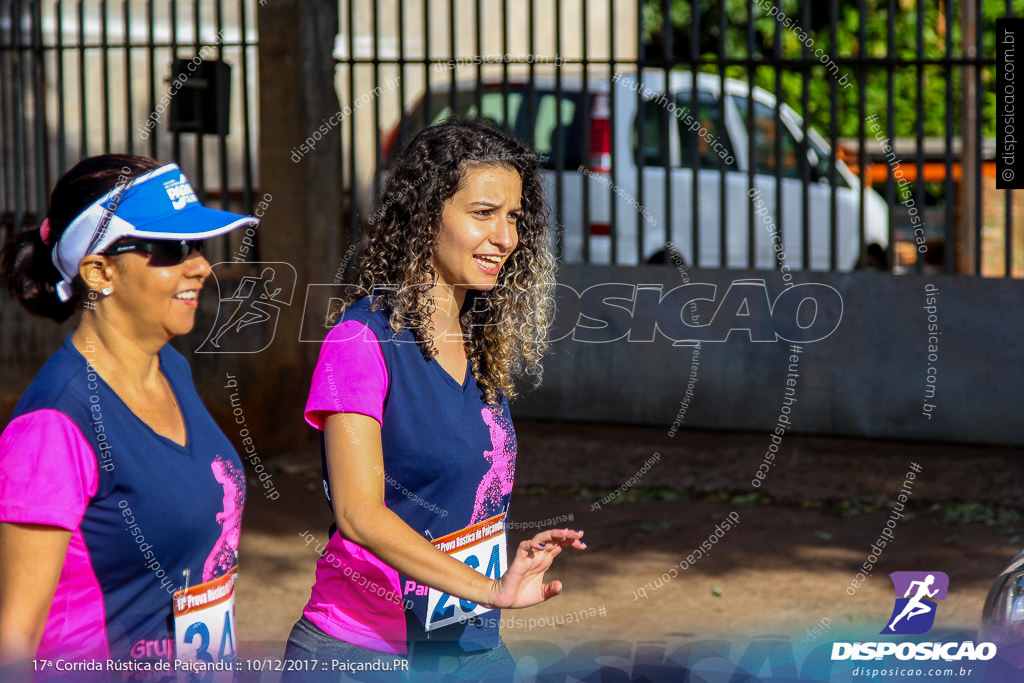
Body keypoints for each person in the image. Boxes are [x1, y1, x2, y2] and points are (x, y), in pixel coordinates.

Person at [283, 118, 585, 681]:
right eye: (483, 213)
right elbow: (358, 513)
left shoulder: (477, 341)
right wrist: (491, 588)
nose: (506, 238)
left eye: (514, 217)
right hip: (365, 655)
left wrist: (501, 574)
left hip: (467, 644)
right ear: (426, 215)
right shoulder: (360, 340)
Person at [0, 155, 257, 675]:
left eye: (200, 246)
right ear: (99, 272)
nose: (200, 266)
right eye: (171, 247)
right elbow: (15, 641)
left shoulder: (171, 368)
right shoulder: (52, 427)